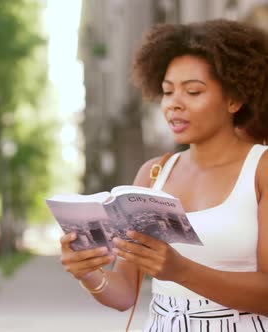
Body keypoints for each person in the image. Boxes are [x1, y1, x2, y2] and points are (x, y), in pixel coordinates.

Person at [60, 19, 268, 331]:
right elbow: (124, 293)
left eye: (193, 92)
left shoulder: (261, 169)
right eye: (168, 92)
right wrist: (87, 271)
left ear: (233, 100)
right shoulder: (154, 174)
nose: (174, 105)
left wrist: (180, 270)